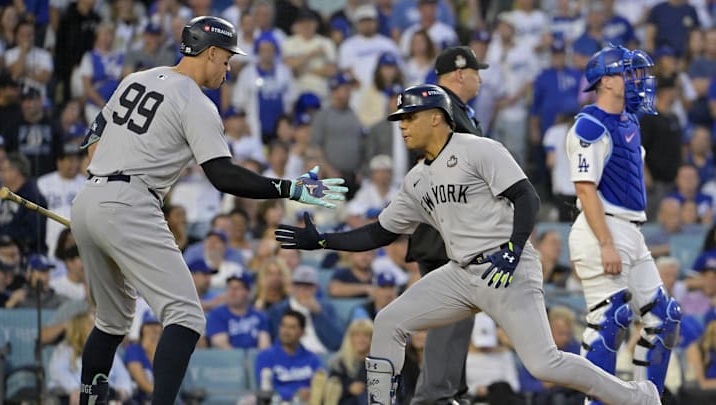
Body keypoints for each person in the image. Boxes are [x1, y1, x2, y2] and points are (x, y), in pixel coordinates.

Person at [275, 84, 660, 405]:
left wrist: (512, 248)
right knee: (389, 321)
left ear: (436, 117)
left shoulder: (479, 149)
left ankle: (636, 397)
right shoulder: (415, 180)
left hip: (506, 268)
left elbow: (527, 197)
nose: (403, 126)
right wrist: (323, 239)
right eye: (400, 119)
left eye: (410, 117)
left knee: (544, 365)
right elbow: (379, 233)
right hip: (460, 273)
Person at [70, 16, 347, 405]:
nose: (229, 67)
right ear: (211, 51)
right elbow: (223, 175)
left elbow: (91, 142)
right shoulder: (195, 101)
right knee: (186, 317)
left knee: (112, 322)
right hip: (130, 202)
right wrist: (290, 188)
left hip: (89, 197)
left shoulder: (136, 78)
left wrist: (103, 200)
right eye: (228, 58)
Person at [566, 45, 680, 404]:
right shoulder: (589, 125)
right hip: (602, 228)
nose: (638, 81)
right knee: (609, 321)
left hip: (632, 231)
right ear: (605, 81)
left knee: (665, 317)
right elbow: (585, 189)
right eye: (629, 74)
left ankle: (648, 399)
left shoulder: (630, 121)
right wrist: (605, 243)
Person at [405, 45, 488, 405]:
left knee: (463, 312)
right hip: (443, 232)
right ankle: (433, 396)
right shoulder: (438, 110)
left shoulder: (460, 112)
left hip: (457, 231)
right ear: (459, 74)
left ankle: (452, 391)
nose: (480, 79)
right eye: (476, 72)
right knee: (450, 313)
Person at [255, 309, 324, 403]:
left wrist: (311, 392)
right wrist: (296, 393)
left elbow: (322, 383)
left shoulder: (312, 359)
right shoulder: (265, 356)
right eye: (283, 326)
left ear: (302, 333)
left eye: (292, 327)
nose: (286, 331)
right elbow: (266, 389)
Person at [205, 272, 271, 349]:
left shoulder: (259, 316)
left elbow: (264, 346)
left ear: (248, 292)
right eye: (230, 288)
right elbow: (222, 345)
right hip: (226, 359)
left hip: (255, 358)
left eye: (237, 288)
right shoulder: (217, 314)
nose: (232, 292)